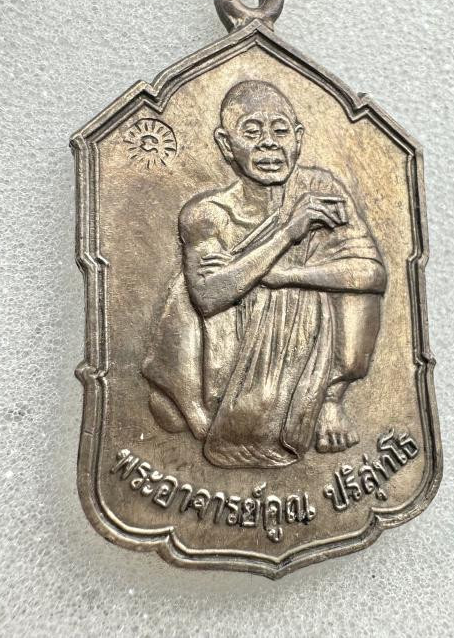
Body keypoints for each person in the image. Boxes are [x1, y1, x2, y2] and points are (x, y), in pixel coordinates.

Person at [143, 81, 386, 468]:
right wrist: (288, 233)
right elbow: (207, 297)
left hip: (307, 336)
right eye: (252, 131)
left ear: (298, 138)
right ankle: (196, 402)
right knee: (187, 286)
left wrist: (287, 275)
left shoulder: (320, 189)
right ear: (226, 145)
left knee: (347, 283)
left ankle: (329, 398)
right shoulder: (207, 214)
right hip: (226, 347)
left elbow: (372, 274)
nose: (269, 144)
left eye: (280, 130)